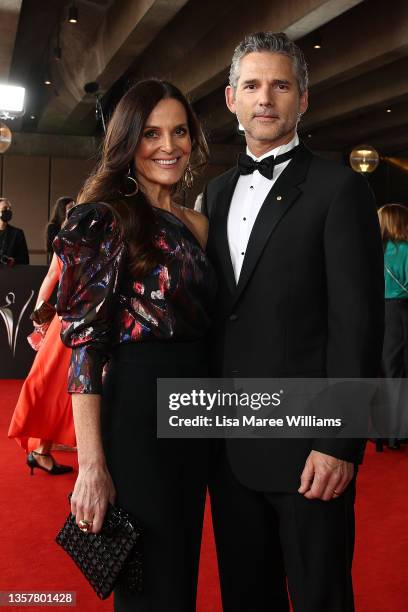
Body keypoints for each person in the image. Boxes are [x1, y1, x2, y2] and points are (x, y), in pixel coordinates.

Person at [201, 32, 384, 611]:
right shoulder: (215, 194)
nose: (265, 98)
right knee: (246, 598)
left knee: (319, 598)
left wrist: (340, 443)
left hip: (309, 453)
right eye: (252, 85)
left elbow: (357, 325)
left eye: (281, 85)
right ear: (231, 98)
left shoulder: (341, 190)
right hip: (228, 450)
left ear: (303, 99)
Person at [54, 79, 216, 611]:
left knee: (181, 570)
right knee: (150, 588)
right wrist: (92, 465)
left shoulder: (197, 224)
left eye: (179, 132)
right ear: (128, 141)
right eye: (151, 134)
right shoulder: (104, 218)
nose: (169, 146)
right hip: (138, 415)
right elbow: (85, 350)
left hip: (196, 413)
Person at [8, 249, 75, 474]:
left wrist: (40, 324)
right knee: (56, 387)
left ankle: (41, 451)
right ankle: (41, 451)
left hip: (72, 321)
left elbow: (50, 277)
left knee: (57, 387)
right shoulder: (76, 237)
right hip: (73, 321)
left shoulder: (70, 235)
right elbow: (50, 277)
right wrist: (40, 324)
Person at [378, 203, 408, 449]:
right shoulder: (405, 249)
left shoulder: (371, 250)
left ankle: (380, 432)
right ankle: (398, 433)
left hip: (376, 312)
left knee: (383, 371)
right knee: (399, 372)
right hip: (399, 311)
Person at [0, 197, 29, 265]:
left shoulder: (17, 233)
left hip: (10, 273)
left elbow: (25, 260)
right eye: (5, 208)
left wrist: (14, 261)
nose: (8, 210)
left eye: (10, 209)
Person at [46, 197, 75, 263]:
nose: (73, 211)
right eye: (70, 208)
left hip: (71, 261)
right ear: (62, 210)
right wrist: (66, 222)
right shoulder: (52, 227)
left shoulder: (74, 225)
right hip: (58, 261)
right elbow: (55, 246)